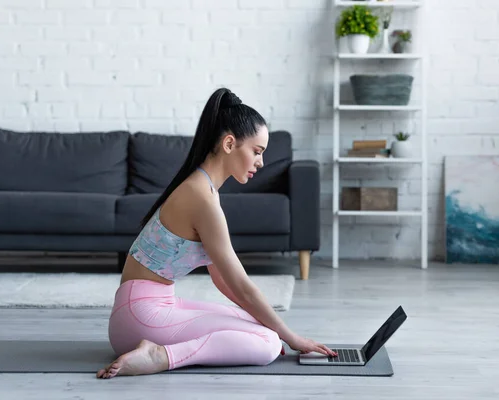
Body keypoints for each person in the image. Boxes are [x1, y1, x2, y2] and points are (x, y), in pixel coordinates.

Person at [96, 88, 337, 379]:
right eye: (257, 152)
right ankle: (160, 356)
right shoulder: (202, 198)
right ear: (229, 143)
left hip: (143, 308)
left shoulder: (203, 188)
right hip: (140, 319)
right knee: (268, 343)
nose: (260, 162)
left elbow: (223, 280)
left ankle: (176, 347)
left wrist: (262, 326)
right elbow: (241, 286)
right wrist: (292, 337)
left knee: (260, 327)